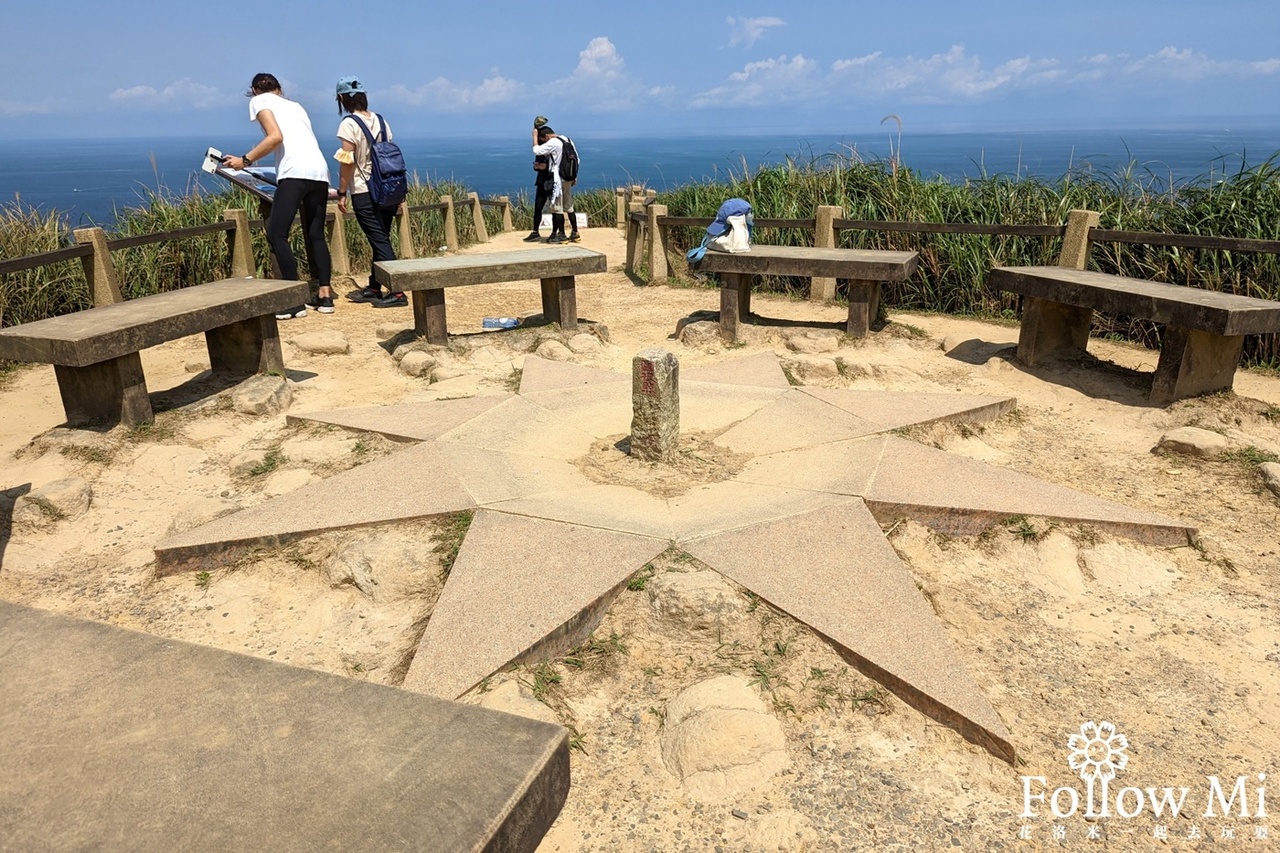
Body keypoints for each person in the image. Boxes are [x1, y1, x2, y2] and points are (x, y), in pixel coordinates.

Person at [223, 73, 333, 318]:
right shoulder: (296, 106)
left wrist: (245, 160)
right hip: (319, 172)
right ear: (279, 89)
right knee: (315, 234)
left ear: (253, 90)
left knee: (276, 234)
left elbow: (275, 137)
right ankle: (325, 296)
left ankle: (293, 300)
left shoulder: (259, 101)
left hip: (293, 173)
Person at [332, 76, 406, 308]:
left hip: (364, 190)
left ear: (342, 99)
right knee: (381, 237)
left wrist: (342, 191)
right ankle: (374, 286)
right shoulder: (382, 121)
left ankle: (398, 291)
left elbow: (347, 161)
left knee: (379, 240)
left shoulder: (349, 124)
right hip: (388, 189)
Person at [531, 124, 581, 244]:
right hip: (569, 178)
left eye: (543, 140)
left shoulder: (553, 142)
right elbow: (577, 159)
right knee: (569, 207)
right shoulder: (567, 139)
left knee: (557, 208)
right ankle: (575, 233)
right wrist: (574, 176)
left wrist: (534, 136)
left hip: (557, 179)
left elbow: (536, 150)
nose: (544, 142)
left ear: (547, 136)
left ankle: (562, 235)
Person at [523, 115, 552, 242]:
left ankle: (555, 232)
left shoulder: (552, 148)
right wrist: (537, 166)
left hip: (551, 181)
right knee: (538, 208)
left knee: (555, 208)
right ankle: (535, 231)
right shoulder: (541, 149)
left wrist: (542, 166)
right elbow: (538, 164)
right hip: (541, 181)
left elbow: (549, 165)